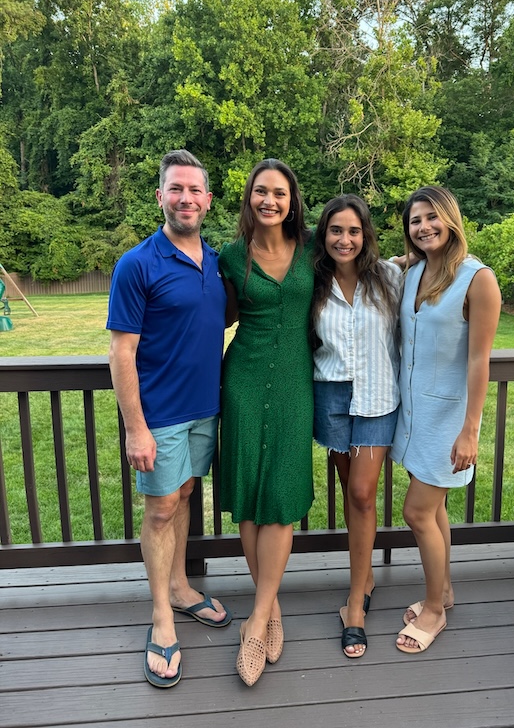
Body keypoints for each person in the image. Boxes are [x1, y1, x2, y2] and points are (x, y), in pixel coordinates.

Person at [107, 149, 231, 688]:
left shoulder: (218, 261)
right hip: (158, 415)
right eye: (175, 189)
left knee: (183, 496)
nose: (185, 199)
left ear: (207, 199)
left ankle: (181, 589)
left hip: (206, 407)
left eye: (194, 190)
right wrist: (135, 426)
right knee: (160, 508)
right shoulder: (137, 264)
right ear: (160, 196)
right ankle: (161, 615)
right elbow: (121, 352)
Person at [392, 185, 501, 654]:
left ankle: (434, 610)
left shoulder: (478, 279)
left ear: (451, 219)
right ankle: (447, 591)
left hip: (447, 418)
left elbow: (480, 361)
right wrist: (400, 262)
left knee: (416, 511)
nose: (424, 227)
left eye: (432, 218)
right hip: (413, 413)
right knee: (434, 510)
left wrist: (471, 430)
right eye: (416, 221)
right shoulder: (414, 271)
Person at [219, 158, 314, 686]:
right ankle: (269, 609)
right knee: (250, 496)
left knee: (280, 494)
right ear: (249, 198)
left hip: (298, 384)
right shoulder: (231, 257)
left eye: (279, 193)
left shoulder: (314, 246)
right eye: (261, 191)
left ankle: (255, 620)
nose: (269, 201)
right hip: (245, 383)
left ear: (292, 200)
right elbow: (208, 310)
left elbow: (357, 256)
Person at [311, 195, 403, 659]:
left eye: (353, 231)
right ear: (323, 234)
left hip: (378, 396)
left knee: (364, 494)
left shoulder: (390, 277)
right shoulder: (312, 280)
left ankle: (355, 605)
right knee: (351, 491)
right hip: (331, 396)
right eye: (335, 230)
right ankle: (364, 576)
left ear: (365, 235)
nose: (344, 239)